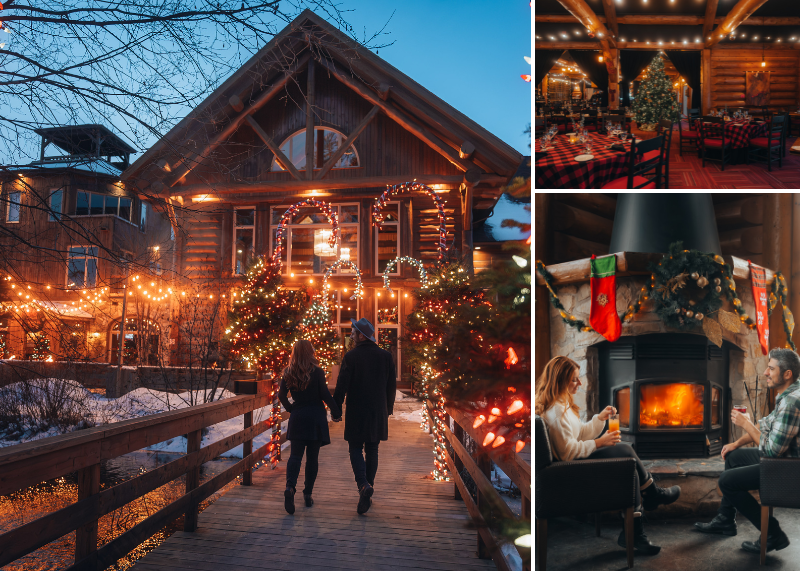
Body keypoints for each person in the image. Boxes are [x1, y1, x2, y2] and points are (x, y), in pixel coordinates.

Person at [535, 356, 681, 555]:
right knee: (626, 451)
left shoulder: (562, 405)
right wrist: (599, 443)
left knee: (628, 460)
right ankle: (651, 497)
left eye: (578, 378)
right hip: (570, 471)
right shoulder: (556, 412)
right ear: (560, 380)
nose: (579, 383)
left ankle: (637, 526)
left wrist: (599, 418)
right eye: (574, 379)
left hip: (575, 463)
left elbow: (579, 434)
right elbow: (568, 453)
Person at [695, 348, 800, 555]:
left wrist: (746, 424)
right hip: (783, 460)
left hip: (789, 470)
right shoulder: (789, 394)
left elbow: (771, 451)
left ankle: (773, 533)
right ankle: (725, 520)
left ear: (787, 374)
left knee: (726, 481)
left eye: (771, 368)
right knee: (734, 457)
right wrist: (737, 444)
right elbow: (765, 425)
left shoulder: (791, 402)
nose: (765, 373)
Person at [333, 317, 396, 515]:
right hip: (377, 411)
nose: (351, 335)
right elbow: (391, 386)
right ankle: (367, 489)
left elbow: (342, 384)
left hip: (356, 410)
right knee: (372, 449)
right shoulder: (386, 356)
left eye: (353, 332)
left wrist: (336, 409)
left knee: (354, 448)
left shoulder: (351, 356)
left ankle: (363, 485)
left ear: (362, 335)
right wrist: (388, 409)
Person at [278, 339, 342, 515]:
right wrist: (336, 411)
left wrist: (291, 408)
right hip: (315, 418)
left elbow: (281, 394)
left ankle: (290, 488)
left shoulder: (288, 372)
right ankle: (307, 494)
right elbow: (325, 395)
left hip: (298, 416)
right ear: (310, 352)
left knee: (295, 456)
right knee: (312, 459)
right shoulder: (317, 372)